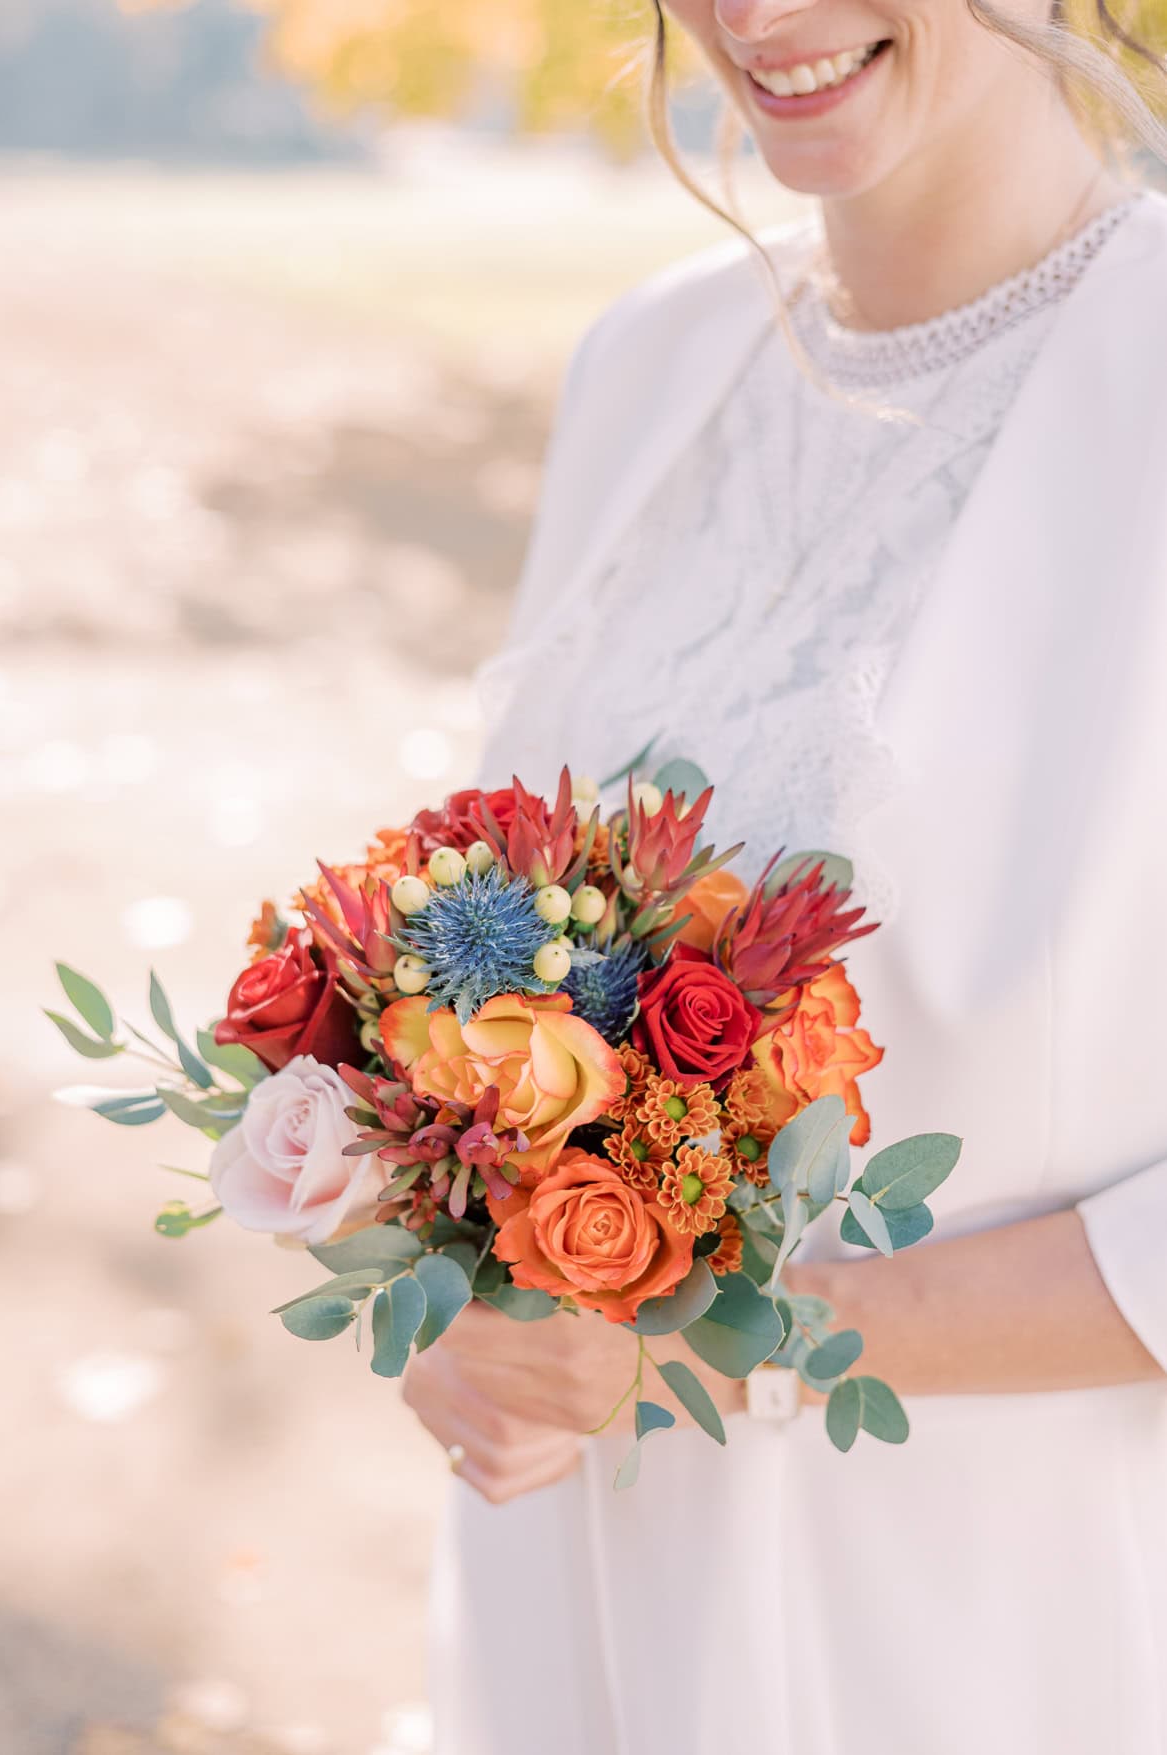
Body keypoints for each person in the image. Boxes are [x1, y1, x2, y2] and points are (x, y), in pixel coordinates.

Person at [403, 2, 1167, 1750]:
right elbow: (492, 946)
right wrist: (451, 1280)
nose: (758, 17)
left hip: (985, 1610)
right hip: (576, 1573)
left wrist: (711, 1342)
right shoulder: (647, 365)